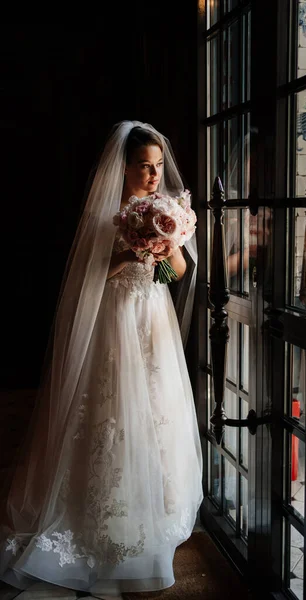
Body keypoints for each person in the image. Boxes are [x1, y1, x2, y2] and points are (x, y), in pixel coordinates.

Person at [0, 120, 203, 596]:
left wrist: (165, 244)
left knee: (157, 409)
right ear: (125, 167)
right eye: (144, 167)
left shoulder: (165, 209)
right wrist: (131, 252)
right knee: (115, 412)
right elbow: (88, 282)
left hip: (152, 320)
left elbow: (175, 273)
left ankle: (158, 504)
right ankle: (99, 507)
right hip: (113, 322)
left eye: (157, 167)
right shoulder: (105, 216)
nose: (154, 176)